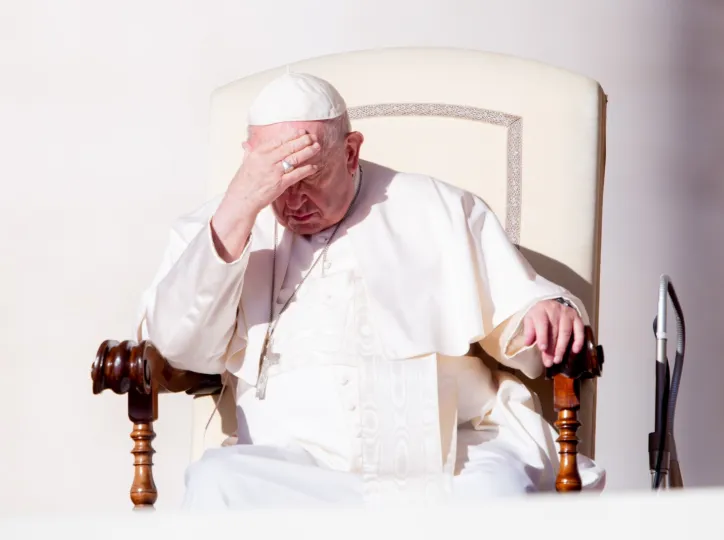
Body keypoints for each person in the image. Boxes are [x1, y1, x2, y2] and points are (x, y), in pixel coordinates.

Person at [136, 72, 605, 510]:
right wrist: (242, 202)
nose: (293, 201)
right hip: (291, 463)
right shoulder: (224, 222)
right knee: (215, 482)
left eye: (309, 178)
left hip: (445, 453)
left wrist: (546, 311)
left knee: (496, 489)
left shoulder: (435, 206)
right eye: (276, 181)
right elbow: (175, 345)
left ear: (350, 152)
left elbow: (520, 307)